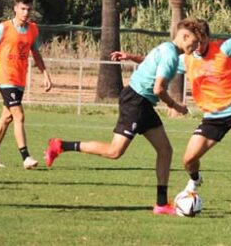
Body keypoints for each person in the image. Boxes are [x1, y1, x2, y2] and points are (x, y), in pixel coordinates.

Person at [111, 20, 231, 201]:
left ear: (207, 39)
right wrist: (131, 57)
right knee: (188, 160)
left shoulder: (223, 47)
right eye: (195, 43)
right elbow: (159, 64)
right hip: (212, 116)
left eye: (201, 42)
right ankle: (195, 179)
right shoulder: (187, 59)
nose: (197, 47)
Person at [43, 18, 204, 215]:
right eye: (194, 42)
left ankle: (161, 204)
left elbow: (150, 62)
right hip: (136, 101)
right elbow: (158, 88)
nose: (196, 46)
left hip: (143, 103)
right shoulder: (171, 55)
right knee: (114, 152)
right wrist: (175, 105)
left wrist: (130, 56)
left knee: (165, 150)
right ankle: (60, 145)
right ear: (185, 36)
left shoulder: (168, 50)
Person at [0, 0, 52, 169]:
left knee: (6, 117)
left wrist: (45, 74)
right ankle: (26, 157)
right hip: (4, 77)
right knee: (19, 115)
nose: (26, 12)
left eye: (28, 9)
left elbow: (36, 54)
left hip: (19, 79)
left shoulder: (33, 29)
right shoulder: (3, 28)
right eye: (22, 9)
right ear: (15, 9)